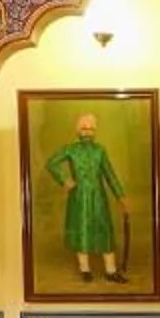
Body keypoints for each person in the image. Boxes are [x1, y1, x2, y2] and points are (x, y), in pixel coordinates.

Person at [46, 111, 126, 282]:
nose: (87, 130)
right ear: (78, 129)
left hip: (99, 197)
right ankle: (85, 269)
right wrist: (65, 180)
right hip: (79, 197)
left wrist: (120, 195)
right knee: (82, 229)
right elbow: (51, 163)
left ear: (95, 130)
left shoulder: (100, 150)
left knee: (104, 231)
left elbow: (109, 174)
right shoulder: (70, 149)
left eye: (90, 128)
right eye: (84, 127)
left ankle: (111, 271)